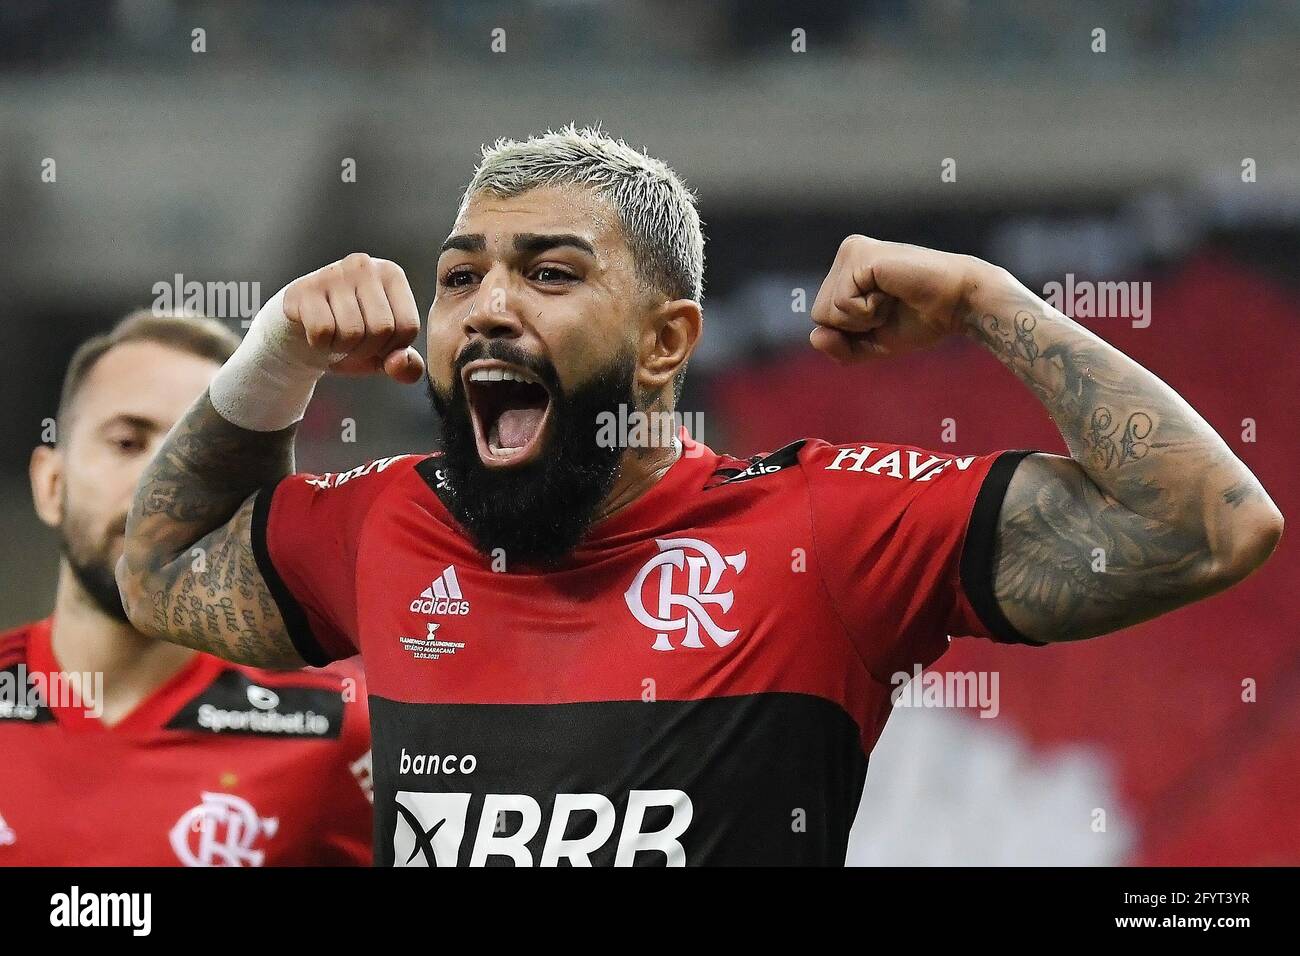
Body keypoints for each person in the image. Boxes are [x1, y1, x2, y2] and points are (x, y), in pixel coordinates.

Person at [117, 125, 1283, 866]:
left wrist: (990, 304)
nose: (485, 305)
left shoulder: (823, 526)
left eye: (552, 272)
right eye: (460, 274)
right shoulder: (385, 520)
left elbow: (1207, 522)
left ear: (668, 340)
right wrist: (271, 355)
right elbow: (156, 571)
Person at [1, 313, 373, 866]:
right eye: (128, 441)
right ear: (51, 484)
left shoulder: (341, 729)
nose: (159, 489)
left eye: (196, 456)